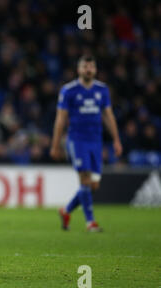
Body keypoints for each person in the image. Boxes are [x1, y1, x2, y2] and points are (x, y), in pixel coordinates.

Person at [50, 55, 122, 232]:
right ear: (79, 69)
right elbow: (61, 119)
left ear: (95, 69)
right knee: (85, 179)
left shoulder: (102, 90)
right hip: (77, 140)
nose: (88, 70)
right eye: (85, 67)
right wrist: (55, 144)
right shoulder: (69, 90)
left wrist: (116, 139)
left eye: (91, 66)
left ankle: (66, 211)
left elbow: (108, 115)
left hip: (96, 142)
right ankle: (91, 223)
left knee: (93, 185)